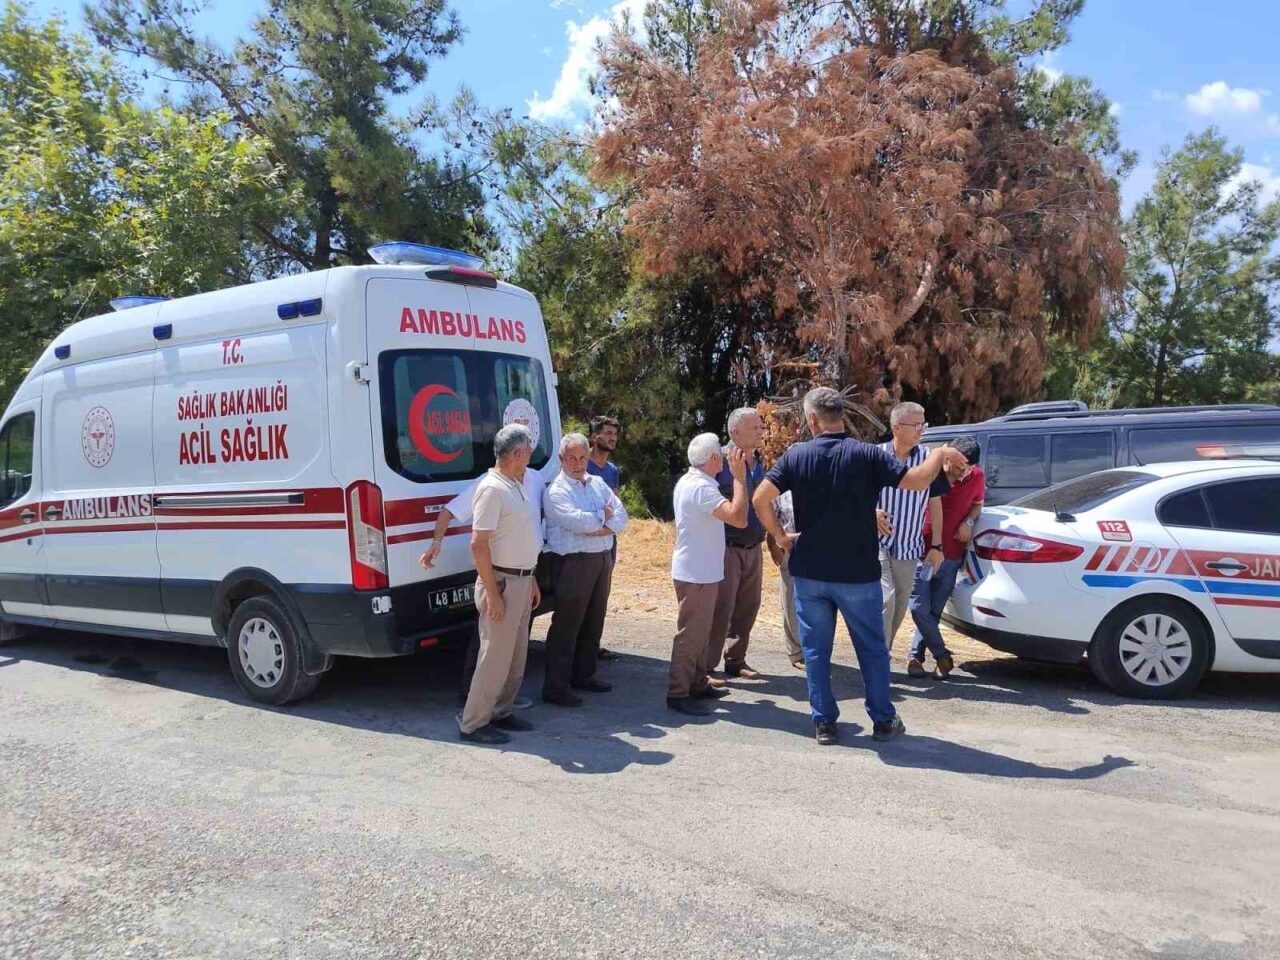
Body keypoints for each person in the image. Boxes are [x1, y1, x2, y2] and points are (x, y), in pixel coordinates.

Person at [753, 387, 967, 746]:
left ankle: (824, 723)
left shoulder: (796, 456)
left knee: (816, 652)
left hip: (810, 572)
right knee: (872, 649)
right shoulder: (866, 454)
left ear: (811, 420)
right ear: (842, 416)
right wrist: (940, 453)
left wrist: (780, 536)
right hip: (857, 574)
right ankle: (883, 720)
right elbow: (916, 481)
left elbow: (761, 498)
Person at [420, 460, 552, 710]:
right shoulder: (491, 483)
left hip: (526, 573)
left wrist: (532, 576)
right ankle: (471, 698)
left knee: (514, 647)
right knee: (489, 642)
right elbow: (449, 511)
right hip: (500, 574)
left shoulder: (535, 479)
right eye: (519, 450)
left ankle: (501, 704)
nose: (523, 455)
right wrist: (436, 543)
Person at [456, 425, 543, 745]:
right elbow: (479, 545)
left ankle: (501, 711)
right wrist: (493, 593)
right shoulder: (493, 488)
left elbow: (518, 536)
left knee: (515, 655)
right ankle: (473, 723)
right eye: (528, 451)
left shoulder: (514, 484)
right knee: (494, 657)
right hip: (503, 582)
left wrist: (530, 578)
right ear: (517, 453)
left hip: (521, 580)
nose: (529, 456)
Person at [541, 433, 628, 706]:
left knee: (594, 620)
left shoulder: (598, 483)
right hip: (573, 563)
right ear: (561, 460)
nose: (578, 463)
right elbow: (577, 522)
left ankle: (584, 675)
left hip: (601, 558)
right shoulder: (556, 490)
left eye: (582, 457)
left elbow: (622, 515)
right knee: (567, 625)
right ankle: (556, 688)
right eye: (571, 458)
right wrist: (604, 518)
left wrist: (601, 524)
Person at [667, 433, 748, 716]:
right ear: (714, 459)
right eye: (722, 455)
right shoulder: (702, 488)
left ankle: (698, 682)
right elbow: (738, 518)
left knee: (700, 632)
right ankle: (678, 692)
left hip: (700, 570)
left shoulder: (693, 482)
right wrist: (739, 478)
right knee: (691, 635)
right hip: (696, 573)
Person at [908, 436, 984, 679]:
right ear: (948, 457)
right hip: (920, 552)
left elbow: (977, 504)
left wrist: (969, 522)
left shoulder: (976, 477)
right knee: (919, 607)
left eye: (968, 467)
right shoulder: (927, 474)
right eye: (960, 466)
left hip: (951, 555)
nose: (964, 472)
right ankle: (942, 655)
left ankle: (916, 657)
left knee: (934, 611)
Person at [875, 402, 945, 651]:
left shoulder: (929, 460)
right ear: (896, 427)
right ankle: (877, 662)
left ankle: (882, 651)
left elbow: (935, 505)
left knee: (900, 606)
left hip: (909, 547)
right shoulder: (876, 455)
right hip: (876, 544)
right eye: (915, 425)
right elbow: (855, 494)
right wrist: (870, 512)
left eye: (922, 425)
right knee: (886, 600)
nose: (920, 430)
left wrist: (936, 545)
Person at [707, 407, 768, 682]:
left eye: (760, 426)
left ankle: (735, 660)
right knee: (721, 608)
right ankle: (705, 666)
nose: (761, 431)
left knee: (748, 606)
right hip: (726, 548)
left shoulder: (759, 461)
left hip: (754, 546)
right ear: (735, 433)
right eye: (754, 427)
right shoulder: (717, 461)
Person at [585, 415, 622, 661]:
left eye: (615, 434)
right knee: (582, 596)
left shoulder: (612, 470)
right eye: (607, 433)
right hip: (585, 542)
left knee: (601, 595)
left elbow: (616, 507)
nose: (612, 438)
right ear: (593, 436)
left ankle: (592, 645)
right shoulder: (580, 465)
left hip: (608, 541)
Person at [766, 489, 803, 669]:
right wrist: (774, 547)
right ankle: (796, 652)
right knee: (790, 602)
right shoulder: (782, 486)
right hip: (790, 548)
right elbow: (771, 516)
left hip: (819, 548)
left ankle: (814, 649)